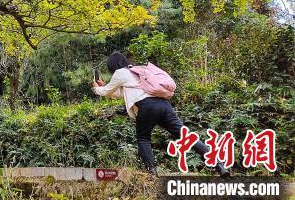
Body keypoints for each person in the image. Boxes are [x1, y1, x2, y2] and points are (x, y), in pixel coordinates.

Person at [92, 52, 229, 177]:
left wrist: (97, 88)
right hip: (164, 105)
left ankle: (152, 173)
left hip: (147, 107)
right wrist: (105, 86)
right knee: (185, 137)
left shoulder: (120, 73)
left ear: (112, 65)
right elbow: (121, 93)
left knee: (143, 138)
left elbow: (105, 92)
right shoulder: (136, 71)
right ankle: (219, 165)